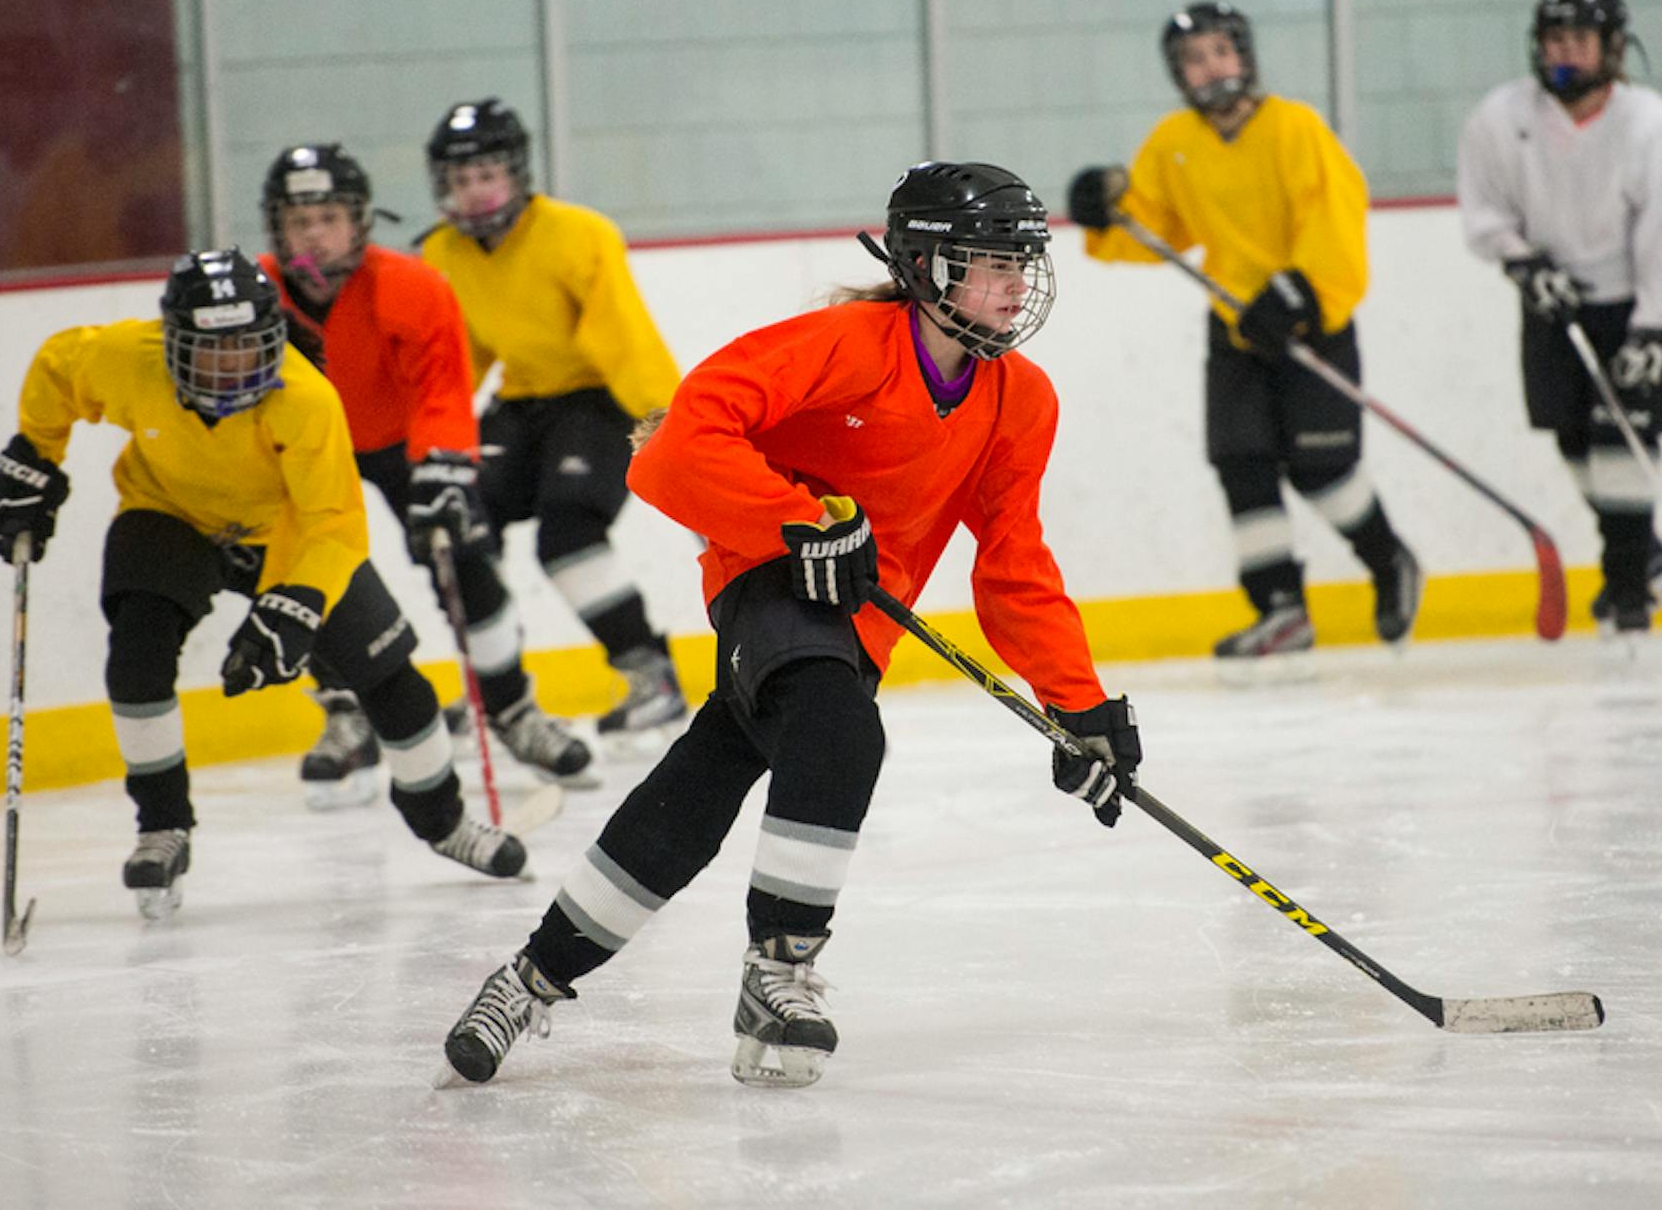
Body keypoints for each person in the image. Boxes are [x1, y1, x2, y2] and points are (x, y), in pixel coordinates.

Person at [437, 162, 1145, 1091]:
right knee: (838, 727)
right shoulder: (848, 343)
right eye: (994, 262)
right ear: (928, 266)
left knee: (704, 779)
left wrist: (1078, 702)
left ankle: (531, 976)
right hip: (767, 577)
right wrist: (800, 518)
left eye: (1026, 262)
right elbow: (677, 444)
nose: (1020, 283)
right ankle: (779, 969)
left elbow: (1013, 563)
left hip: (859, 620)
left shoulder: (1022, 399)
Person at [0, 248, 529, 921]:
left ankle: (443, 822)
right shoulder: (128, 357)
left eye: (246, 346)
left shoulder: (305, 399)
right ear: (171, 340)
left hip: (286, 531)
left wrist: (295, 604)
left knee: (396, 683)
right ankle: (162, 825)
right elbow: (57, 368)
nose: (230, 365)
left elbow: (334, 526)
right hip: (168, 510)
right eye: (210, 349)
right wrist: (33, 455)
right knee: (136, 656)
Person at [1066, 1, 1421, 658]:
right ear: (1180, 73)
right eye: (1194, 59)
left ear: (1245, 55)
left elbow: (1336, 220)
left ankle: (1389, 559)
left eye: (1220, 51)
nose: (1211, 67)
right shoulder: (1173, 143)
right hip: (1235, 330)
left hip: (1311, 322)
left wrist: (1300, 292)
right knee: (1241, 462)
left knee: (1323, 470)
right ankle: (1281, 609)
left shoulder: (1296, 128)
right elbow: (1155, 228)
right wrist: (1103, 211)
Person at [257, 144, 597, 807]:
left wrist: (444, 467)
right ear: (278, 227)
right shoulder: (257, 296)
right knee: (303, 572)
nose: (315, 234)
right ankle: (347, 713)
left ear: (359, 220)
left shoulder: (411, 285)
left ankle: (512, 709)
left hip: (396, 438)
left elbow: (443, 388)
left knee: (463, 551)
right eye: (300, 221)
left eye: (328, 216)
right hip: (301, 450)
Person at [420, 99, 687, 745]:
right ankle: (498, 689)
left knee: (566, 531)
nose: (474, 192)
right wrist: (432, 440)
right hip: (520, 405)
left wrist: (673, 427)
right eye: (460, 180)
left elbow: (625, 341)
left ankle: (651, 676)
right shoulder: (441, 254)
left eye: (486, 174)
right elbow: (457, 358)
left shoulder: (578, 235)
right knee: (458, 525)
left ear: (515, 172)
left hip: (599, 401)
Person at [1456, 0, 1662, 636]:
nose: (1565, 52)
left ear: (1613, 47)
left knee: (1621, 445)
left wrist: (1655, 328)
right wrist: (1523, 261)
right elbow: (1484, 213)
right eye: (1554, 38)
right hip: (1551, 303)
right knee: (1573, 440)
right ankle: (1643, 553)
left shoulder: (1651, 125)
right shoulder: (1503, 118)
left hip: (1631, 307)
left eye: (1580, 40)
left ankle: (1627, 592)